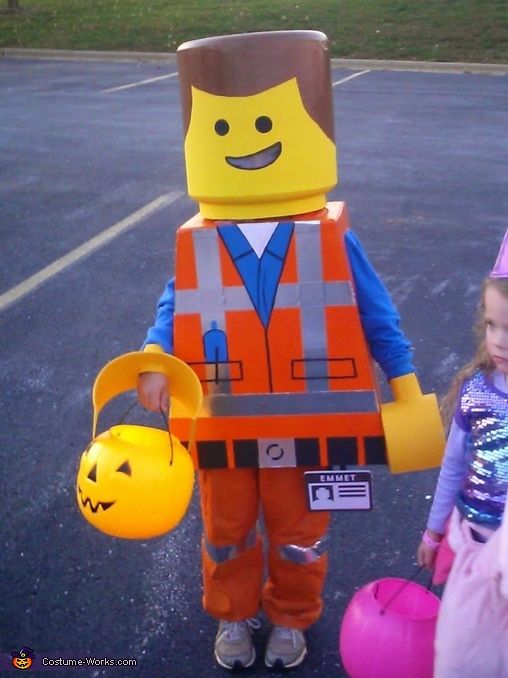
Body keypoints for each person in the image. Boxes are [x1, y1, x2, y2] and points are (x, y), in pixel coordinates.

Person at [138, 31, 442, 672]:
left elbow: (376, 312)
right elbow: (175, 303)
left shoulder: (328, 237)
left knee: (299, 531)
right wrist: (154, 354)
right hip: (220, 417)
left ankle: (291, 616)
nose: (244, 141)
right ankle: (233, 613)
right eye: (219, 127)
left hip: (309, 422)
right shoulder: (202, 237)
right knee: (226, 529)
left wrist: (406, 385)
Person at [416, 229, 508, 675]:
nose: (500, 341)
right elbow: (453, 465)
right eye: (492, 324)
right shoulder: (475, 394)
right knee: (463, 656)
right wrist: (434, 533)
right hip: (475, 542)